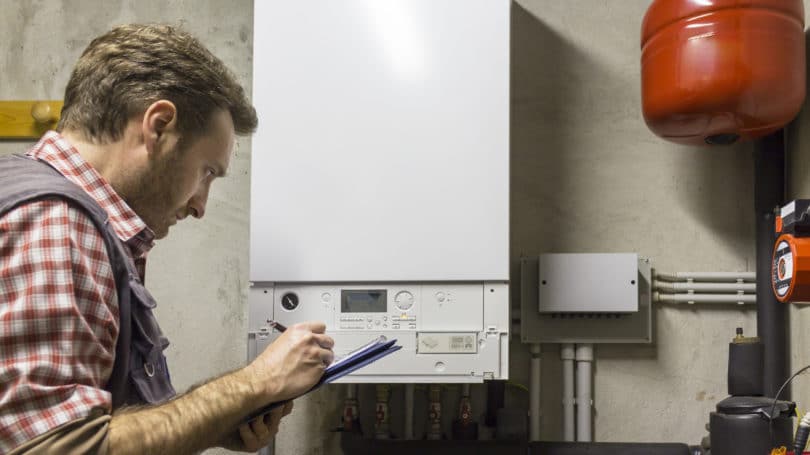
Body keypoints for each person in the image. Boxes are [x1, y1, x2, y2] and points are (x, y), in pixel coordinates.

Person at [0, 23, 334, 454]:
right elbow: (57, 447)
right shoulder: (58, 223)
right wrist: (256, 384)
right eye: (207, 172)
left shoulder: (33, 193)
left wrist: (211, 423)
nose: (201, 206)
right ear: (158, 125)